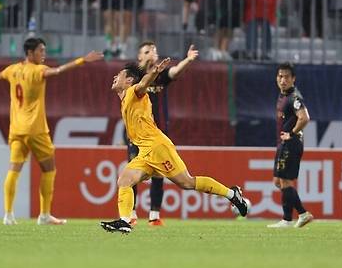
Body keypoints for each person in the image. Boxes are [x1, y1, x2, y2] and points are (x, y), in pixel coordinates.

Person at [100, 60, 250, 233]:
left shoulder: (134, 92)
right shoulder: (127, 99)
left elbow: (143, 84)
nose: (114, 77)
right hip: (145, 152)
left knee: (187, 182)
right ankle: (125, 221)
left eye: (119, 75)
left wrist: (155, 72)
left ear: (128, 81)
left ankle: (232, 194)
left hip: (157, 147)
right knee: (124, 180)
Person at [0, 38, 103, 225]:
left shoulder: (12, 70)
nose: (44, 54)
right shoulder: (37, 71)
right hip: (36, 130)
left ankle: (8, 215)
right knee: (49, 169)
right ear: (30, 53)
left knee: (13, 169)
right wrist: (82, 60)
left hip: (17, 130)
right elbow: (59, 71)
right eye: (40, 51)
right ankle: (44, 215)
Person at [127, 42, 198, 226]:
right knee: (133, 174)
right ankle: (131, 213)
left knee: (159, 174)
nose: (153, 53)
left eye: (155, 50)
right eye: (148, 51)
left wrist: (188, 60)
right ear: (140, 57)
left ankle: (154, 216)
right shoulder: (134, 78)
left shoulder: (160, 76)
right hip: (139, 135)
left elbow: (175, 72)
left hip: (158, 135)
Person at [267, 62, 313, 229]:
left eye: (286, 77)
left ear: (293, 79)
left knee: (284, 182)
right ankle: (293, 217)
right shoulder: (283, 96)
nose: (283, 80)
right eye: (280, 76)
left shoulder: (294, 97)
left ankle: (297, 215)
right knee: (278, 182)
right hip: (283, 144)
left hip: (290, 144)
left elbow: (304, 117)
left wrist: (292, 133)